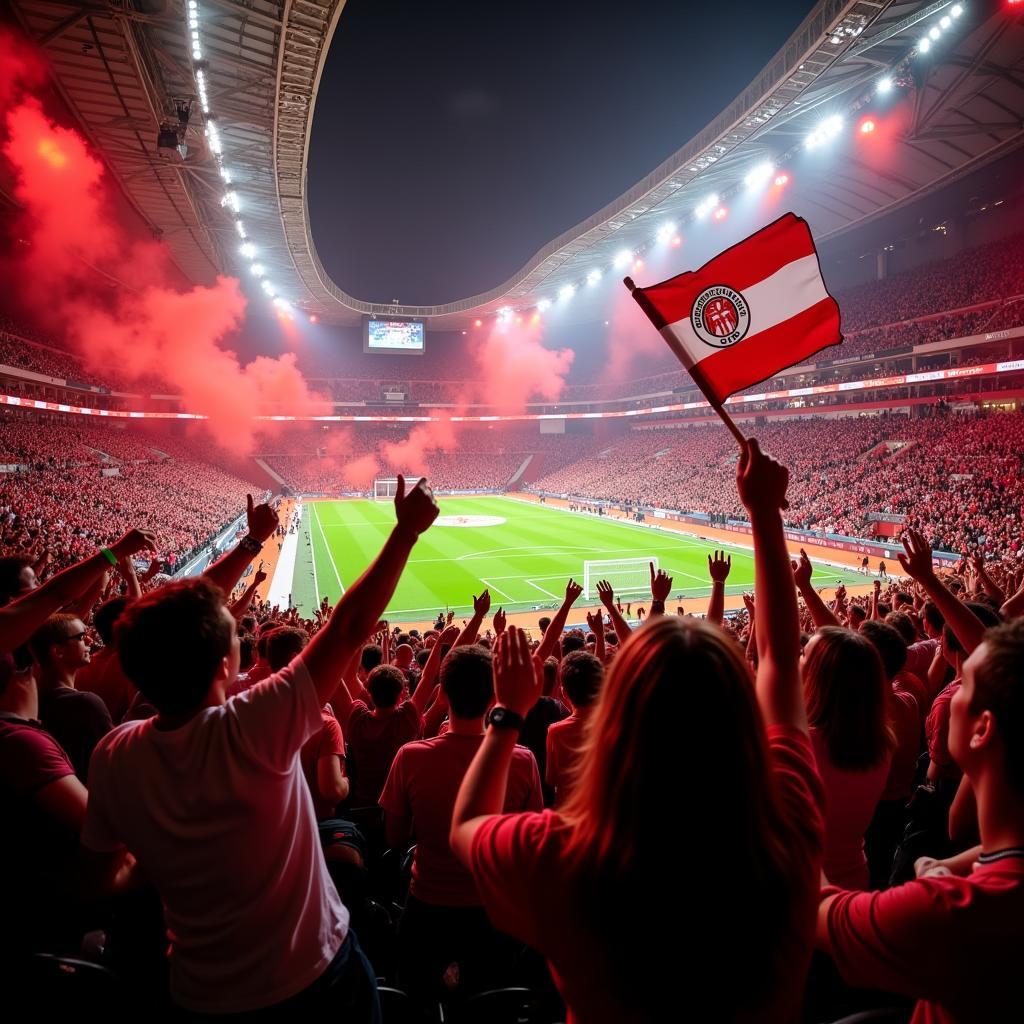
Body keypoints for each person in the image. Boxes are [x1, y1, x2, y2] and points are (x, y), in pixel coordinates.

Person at [451, 439, 825, 1022]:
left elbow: (467, 827)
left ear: (617, 714)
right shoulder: (790, 821)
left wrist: (505, 716)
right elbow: (778, 658)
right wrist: (764, 514)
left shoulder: (564, 854)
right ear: (736, 707)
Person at [81, 482, 439, 1016]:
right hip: (316, 975)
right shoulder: (255, 725)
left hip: (201, 991)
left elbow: (104, 875)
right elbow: (347, 628)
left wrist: (173, 858)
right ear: (227, 665)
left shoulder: (113, 754)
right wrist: (405, 532)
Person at [817, 619, 1024, 1022]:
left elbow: (819, 910)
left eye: (964, 682)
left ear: (982, 729)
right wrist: (941, 867)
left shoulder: (950, 913)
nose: (953, 686)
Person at [380, 644, 541, 1002]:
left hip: (427, 905)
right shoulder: (523, 761)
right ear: (493, 697)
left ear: (443, 691)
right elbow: (527, 844)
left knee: (415, 996)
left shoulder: (410, 757)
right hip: (496, 913)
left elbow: (393, 835)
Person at [803, 626, 895, 890]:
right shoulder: (881, 742)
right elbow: (856, 658)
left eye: (803, 655)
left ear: (819, 675)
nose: (796, 659)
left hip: (803, 890)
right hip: (853, 879)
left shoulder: (802, 743)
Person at [30, 613, 113, 781]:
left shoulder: (34, 703)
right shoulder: (86, 704)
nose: (90, 640)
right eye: (81, 637)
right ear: (58, 651)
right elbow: (117, 759)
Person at [545, 650, 603, 804]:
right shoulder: (616, 725)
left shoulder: (556, 732)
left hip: (571, 813)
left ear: (563, 692)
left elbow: (553, 779)